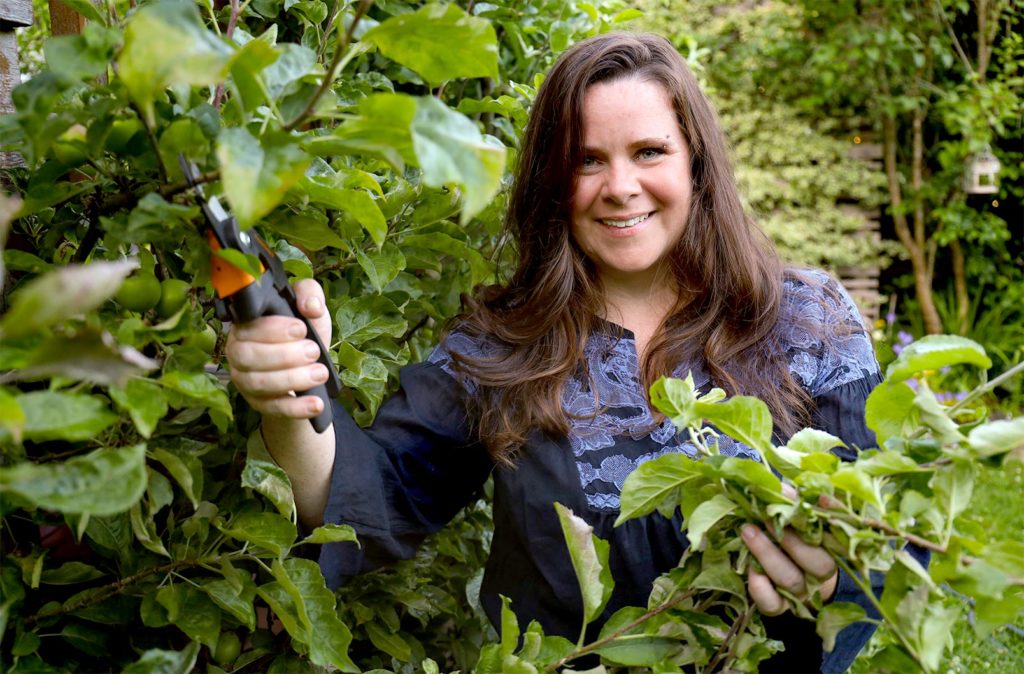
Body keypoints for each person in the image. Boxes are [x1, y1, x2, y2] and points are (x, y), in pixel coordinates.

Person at [227, 32, 887, 673]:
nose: (620, 186)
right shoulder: (503, 346)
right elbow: (372, 499)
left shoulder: (808, 321)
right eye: (586, 159)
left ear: (697, 163)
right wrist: (292, 400)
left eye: (650, 151)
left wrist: (832, 584)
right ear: (552, 178)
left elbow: (880, 542)